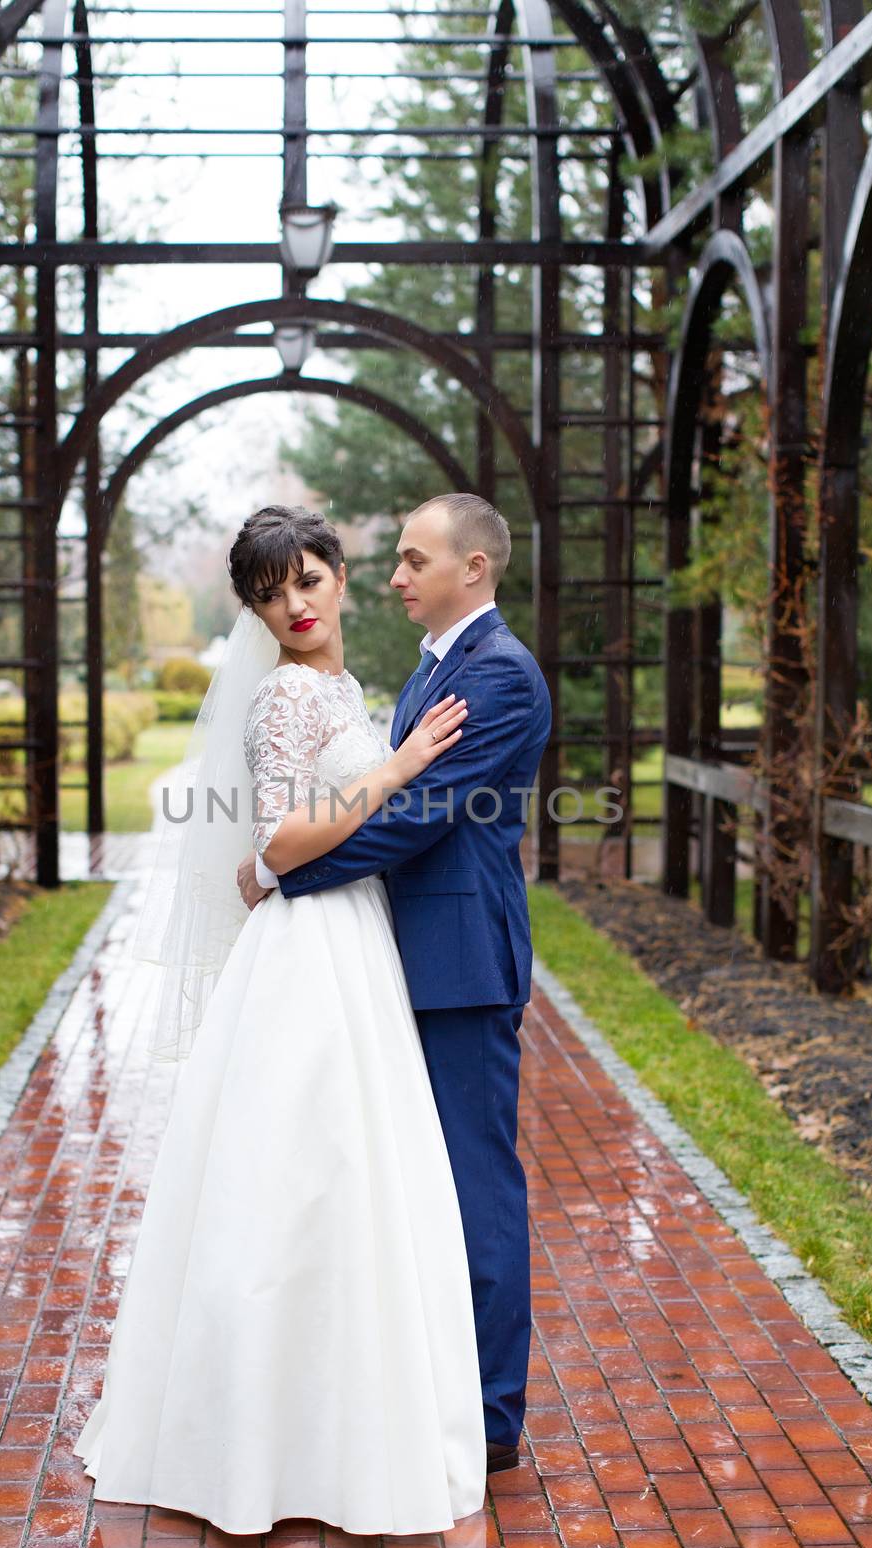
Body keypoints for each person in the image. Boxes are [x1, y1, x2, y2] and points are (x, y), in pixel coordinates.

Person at [73, 504, 489, 1536]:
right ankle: (254, 1441)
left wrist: (274, 859)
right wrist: (386, 775)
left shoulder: (343, 689)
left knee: (352, 1175)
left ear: (337, 576)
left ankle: (340, 1421)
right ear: (255, 609)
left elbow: (280, 853)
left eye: (306, 580)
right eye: (270, 593)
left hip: (356, 942)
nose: (293, 606)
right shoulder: (280, 701)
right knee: (291, 1174)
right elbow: (283, 841)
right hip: (306, 950)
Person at [238, 492, 553, 1472]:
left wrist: (284, 870)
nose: (395, 576)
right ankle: (421, 1385)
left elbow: (420, 816)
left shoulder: (497, 676)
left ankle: (492, 1418)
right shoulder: (424, 670)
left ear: (474, 568)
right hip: (393, 959)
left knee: (475, 1185)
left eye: (414, 559)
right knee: (403, 1181)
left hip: (456, 966)